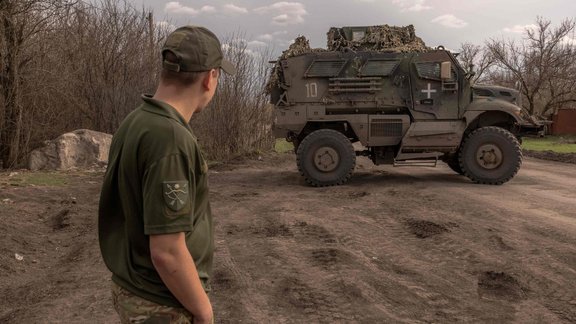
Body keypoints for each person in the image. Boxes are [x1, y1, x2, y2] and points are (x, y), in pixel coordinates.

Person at [98, 25, 235, 324]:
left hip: (136, 289)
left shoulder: (137, 120)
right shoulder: (170, 139)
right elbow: (167, 251)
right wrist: (203, 311)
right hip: (160, 302)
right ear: (210, 78)